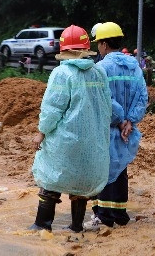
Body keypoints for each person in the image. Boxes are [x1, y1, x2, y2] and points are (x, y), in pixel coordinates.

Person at [30, 25, 112, 233]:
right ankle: (76, 226)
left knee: (51, 178)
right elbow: (106, 106)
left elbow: (52, 108)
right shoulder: (99, 72)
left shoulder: (62, 73)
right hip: (91, 140)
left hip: (65, 139)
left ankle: (42, 225)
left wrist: (41, 132)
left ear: (64, 49)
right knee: (82, 182)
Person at [86, 22, 148, 229]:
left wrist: (120, 120)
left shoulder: (100, 68)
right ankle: (120, 214)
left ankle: (104, 215)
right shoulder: (134, 66)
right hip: (127, 130)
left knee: (103, 169)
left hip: (108, 128)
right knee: (120, 168)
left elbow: (104, 100)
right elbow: (142, 96)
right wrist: (130, 121)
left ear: (104, 44)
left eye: (98, 44)